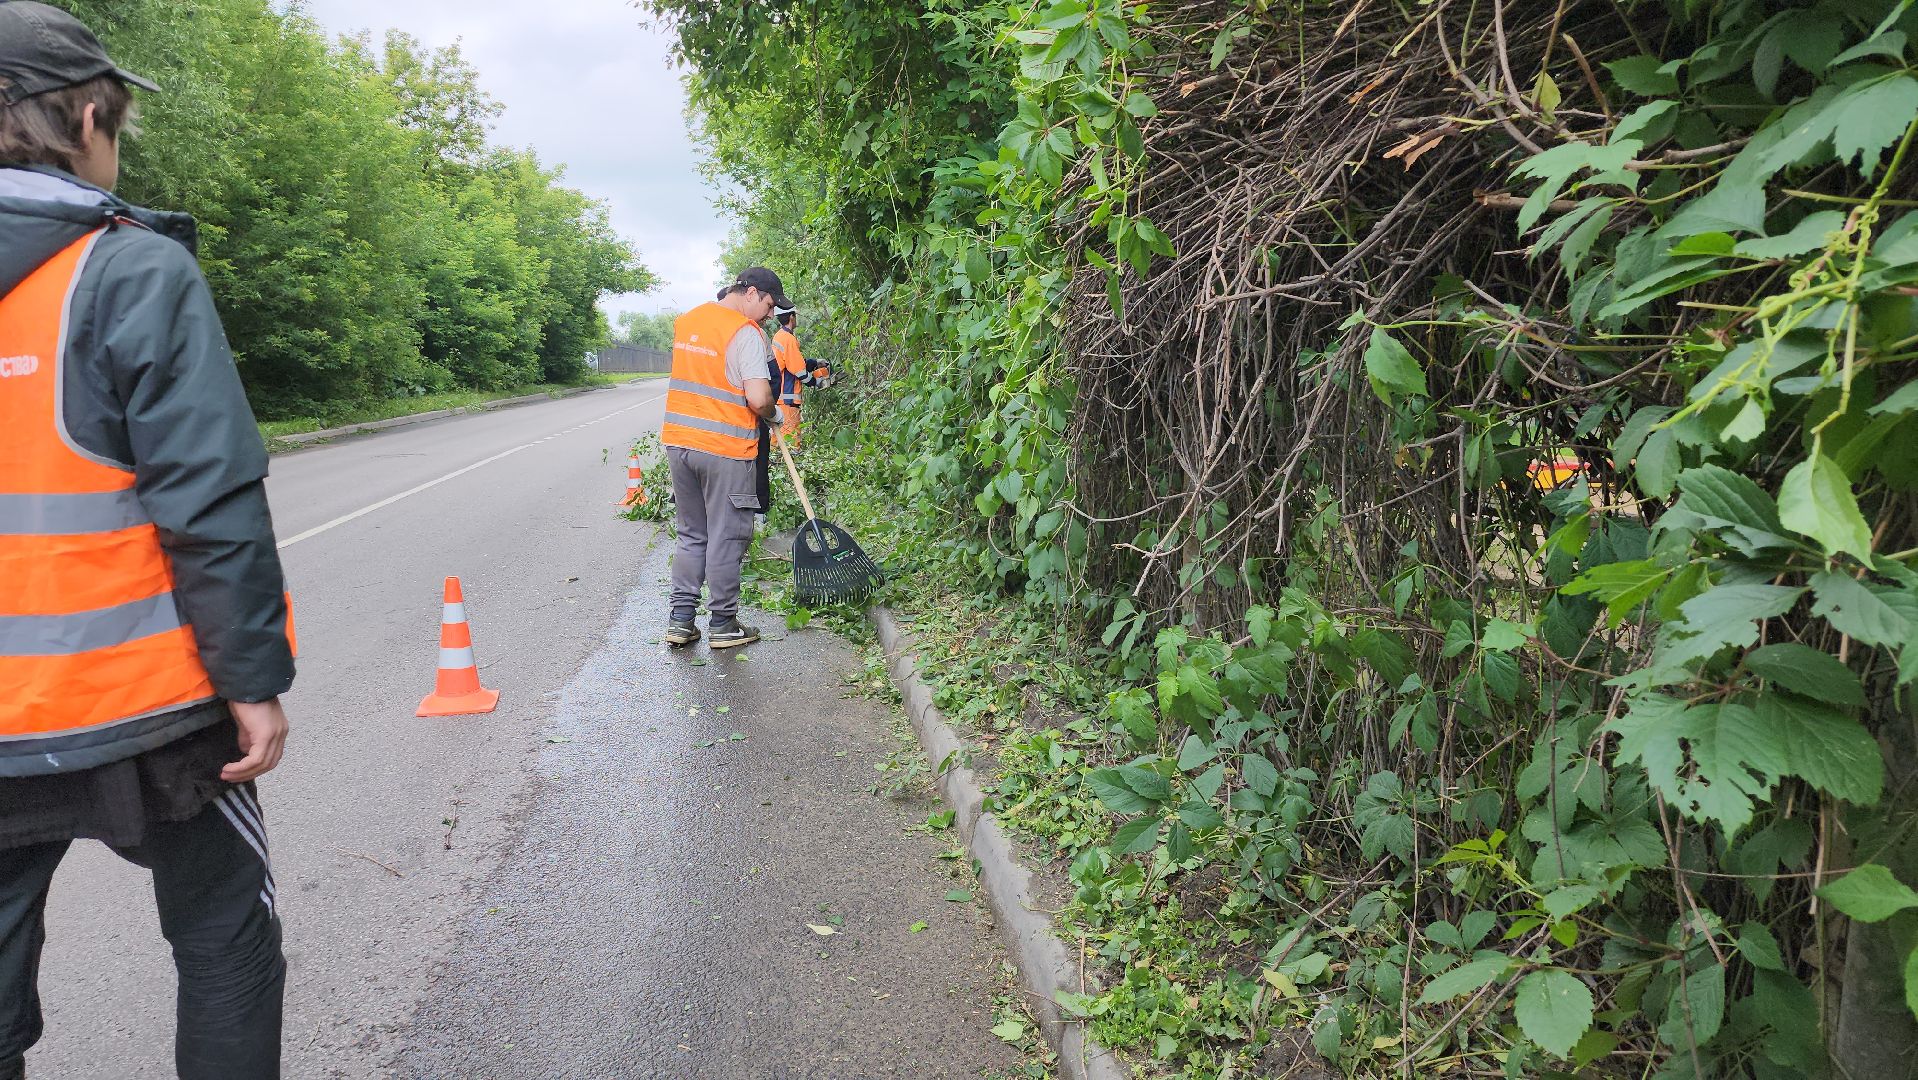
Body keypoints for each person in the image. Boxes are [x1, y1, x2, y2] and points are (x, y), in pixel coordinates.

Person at [0, 5, 295, 1078]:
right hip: (153, 714)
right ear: (86, 118)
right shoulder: (127, 272)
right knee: (225, 941)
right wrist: (253, 680)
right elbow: (209, 500)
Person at [659, 267, 792, 649]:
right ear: (751, 293)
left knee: (691, 534)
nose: (769, 315)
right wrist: (774, 414)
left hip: (680, 444)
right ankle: (722, 624)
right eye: (769, 305)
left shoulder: (689, 321)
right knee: (727, 535)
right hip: (725, 450)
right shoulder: (744, 333)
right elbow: (759, 398)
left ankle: (681, 621)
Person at [769, 306, 832, 451]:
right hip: (787, 401)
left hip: (780, 400)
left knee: (777, 442)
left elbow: (795, 363)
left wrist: (815, 362)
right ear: (791, 317)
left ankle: (777, 469)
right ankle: (789, 470)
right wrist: (817, 382)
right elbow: (799, 371)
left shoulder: (780, 336)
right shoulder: (788, 339)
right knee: (791, 444)